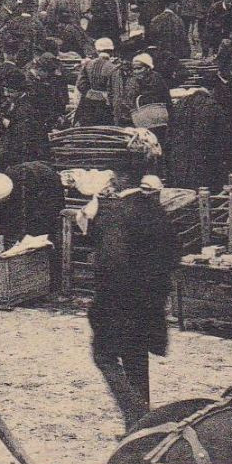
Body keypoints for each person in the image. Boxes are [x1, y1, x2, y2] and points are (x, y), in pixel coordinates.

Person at [87, 172, 180, 430]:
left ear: (116, 186)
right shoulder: (156, 211)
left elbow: (110, 262)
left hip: (119, 301)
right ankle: (139, 424)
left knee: (104, 356)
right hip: (150, 303)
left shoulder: (116, 214)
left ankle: (137, 415)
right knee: (135, 357)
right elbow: (173, 256)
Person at [75, 38, 124, 126]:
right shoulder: (114, 68)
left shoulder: (88, 64)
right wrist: (117, 116)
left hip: (88, 104)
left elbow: (80, 85)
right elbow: (117, 94)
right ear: (112, 52)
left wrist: (90, 92)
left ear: (97, 51)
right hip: (105, 106)